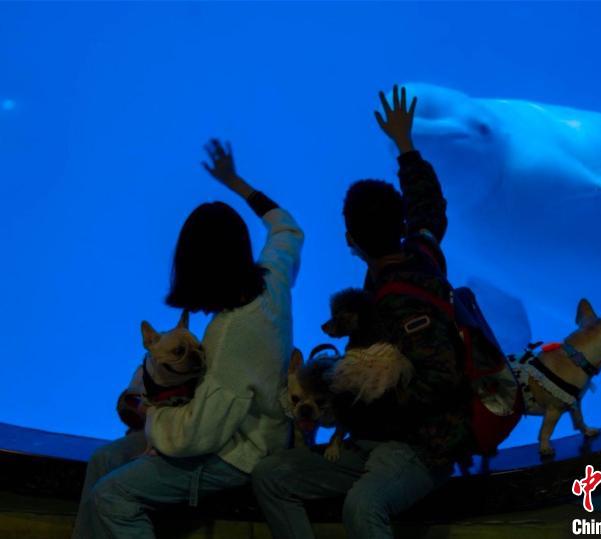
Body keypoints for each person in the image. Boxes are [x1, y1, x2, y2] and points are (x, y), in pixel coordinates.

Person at [252, 85, 471, 539]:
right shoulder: (423, 251)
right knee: (272, 476)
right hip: (372, 440)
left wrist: (364, 400)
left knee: (362, 507)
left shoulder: (402, 298)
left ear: (350, 240)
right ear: (401, 226)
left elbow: (440, 379)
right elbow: (429, 206)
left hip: (420, 447)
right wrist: (405, 146)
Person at [73, 139, 304, 539]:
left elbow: (197, 436)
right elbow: (287, 228)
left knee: (111, 497)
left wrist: (150, 412)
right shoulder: (272, 279)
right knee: (103, 461)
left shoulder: (229, 333)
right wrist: (236, 183)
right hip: (232, 431)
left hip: (240, 453)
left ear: (194, 266)